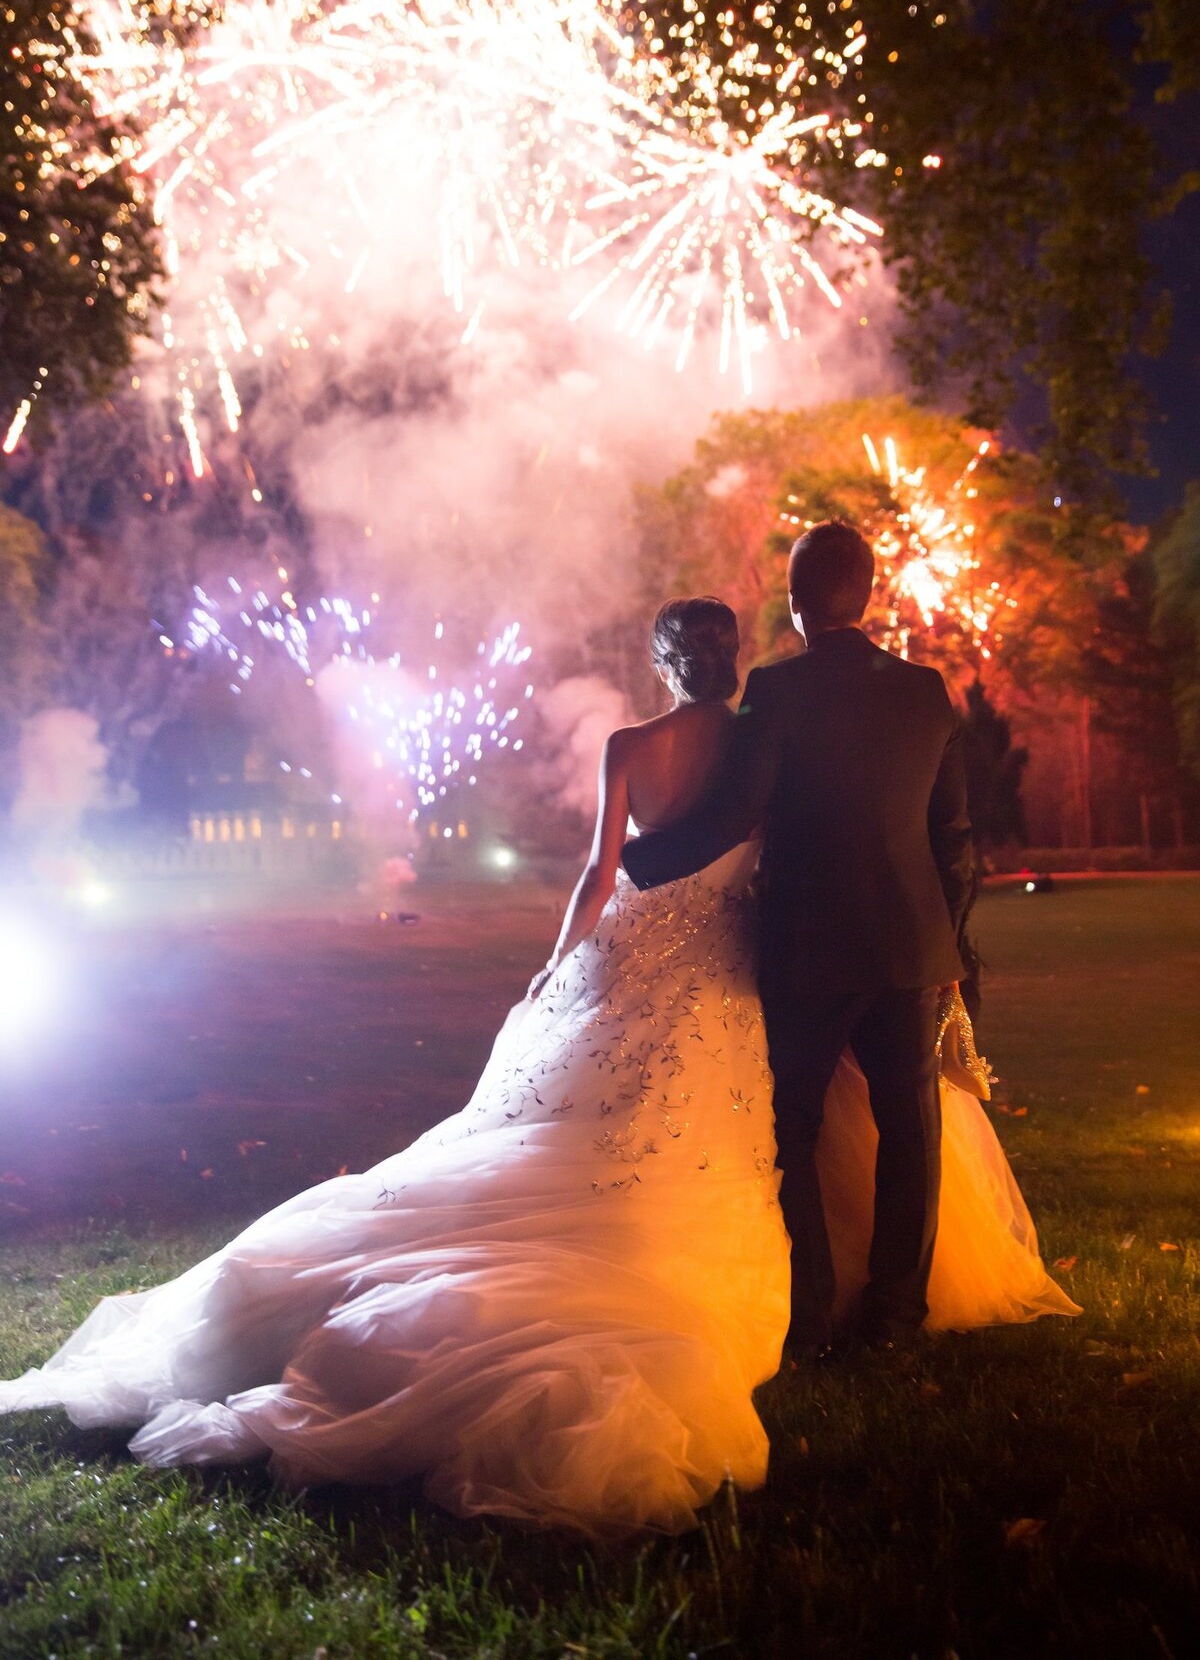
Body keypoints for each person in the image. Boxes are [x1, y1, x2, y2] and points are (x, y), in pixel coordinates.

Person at [0, 592, 1076, 1538]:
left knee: (690, 1123)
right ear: (731, 653)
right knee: (799, 1123)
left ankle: (818, 1297)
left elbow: (612, 866)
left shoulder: (661, 739)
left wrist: (566, 957)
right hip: (760, 954)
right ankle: (863, 1300)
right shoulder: (771, 727)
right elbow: (823, 832)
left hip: (676, 947)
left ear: (666, 662)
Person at [623, 523, 985, 1354]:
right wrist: (945, 939)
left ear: (794, 601)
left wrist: (628, 864)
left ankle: (812, 1316)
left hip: (807, 949)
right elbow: (957, 841)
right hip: (908, 950)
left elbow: (734, 815)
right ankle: (896, 1316)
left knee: (792, 1133)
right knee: (910, 1132)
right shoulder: (928, 691)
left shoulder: (775, 692)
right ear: (868, 594)